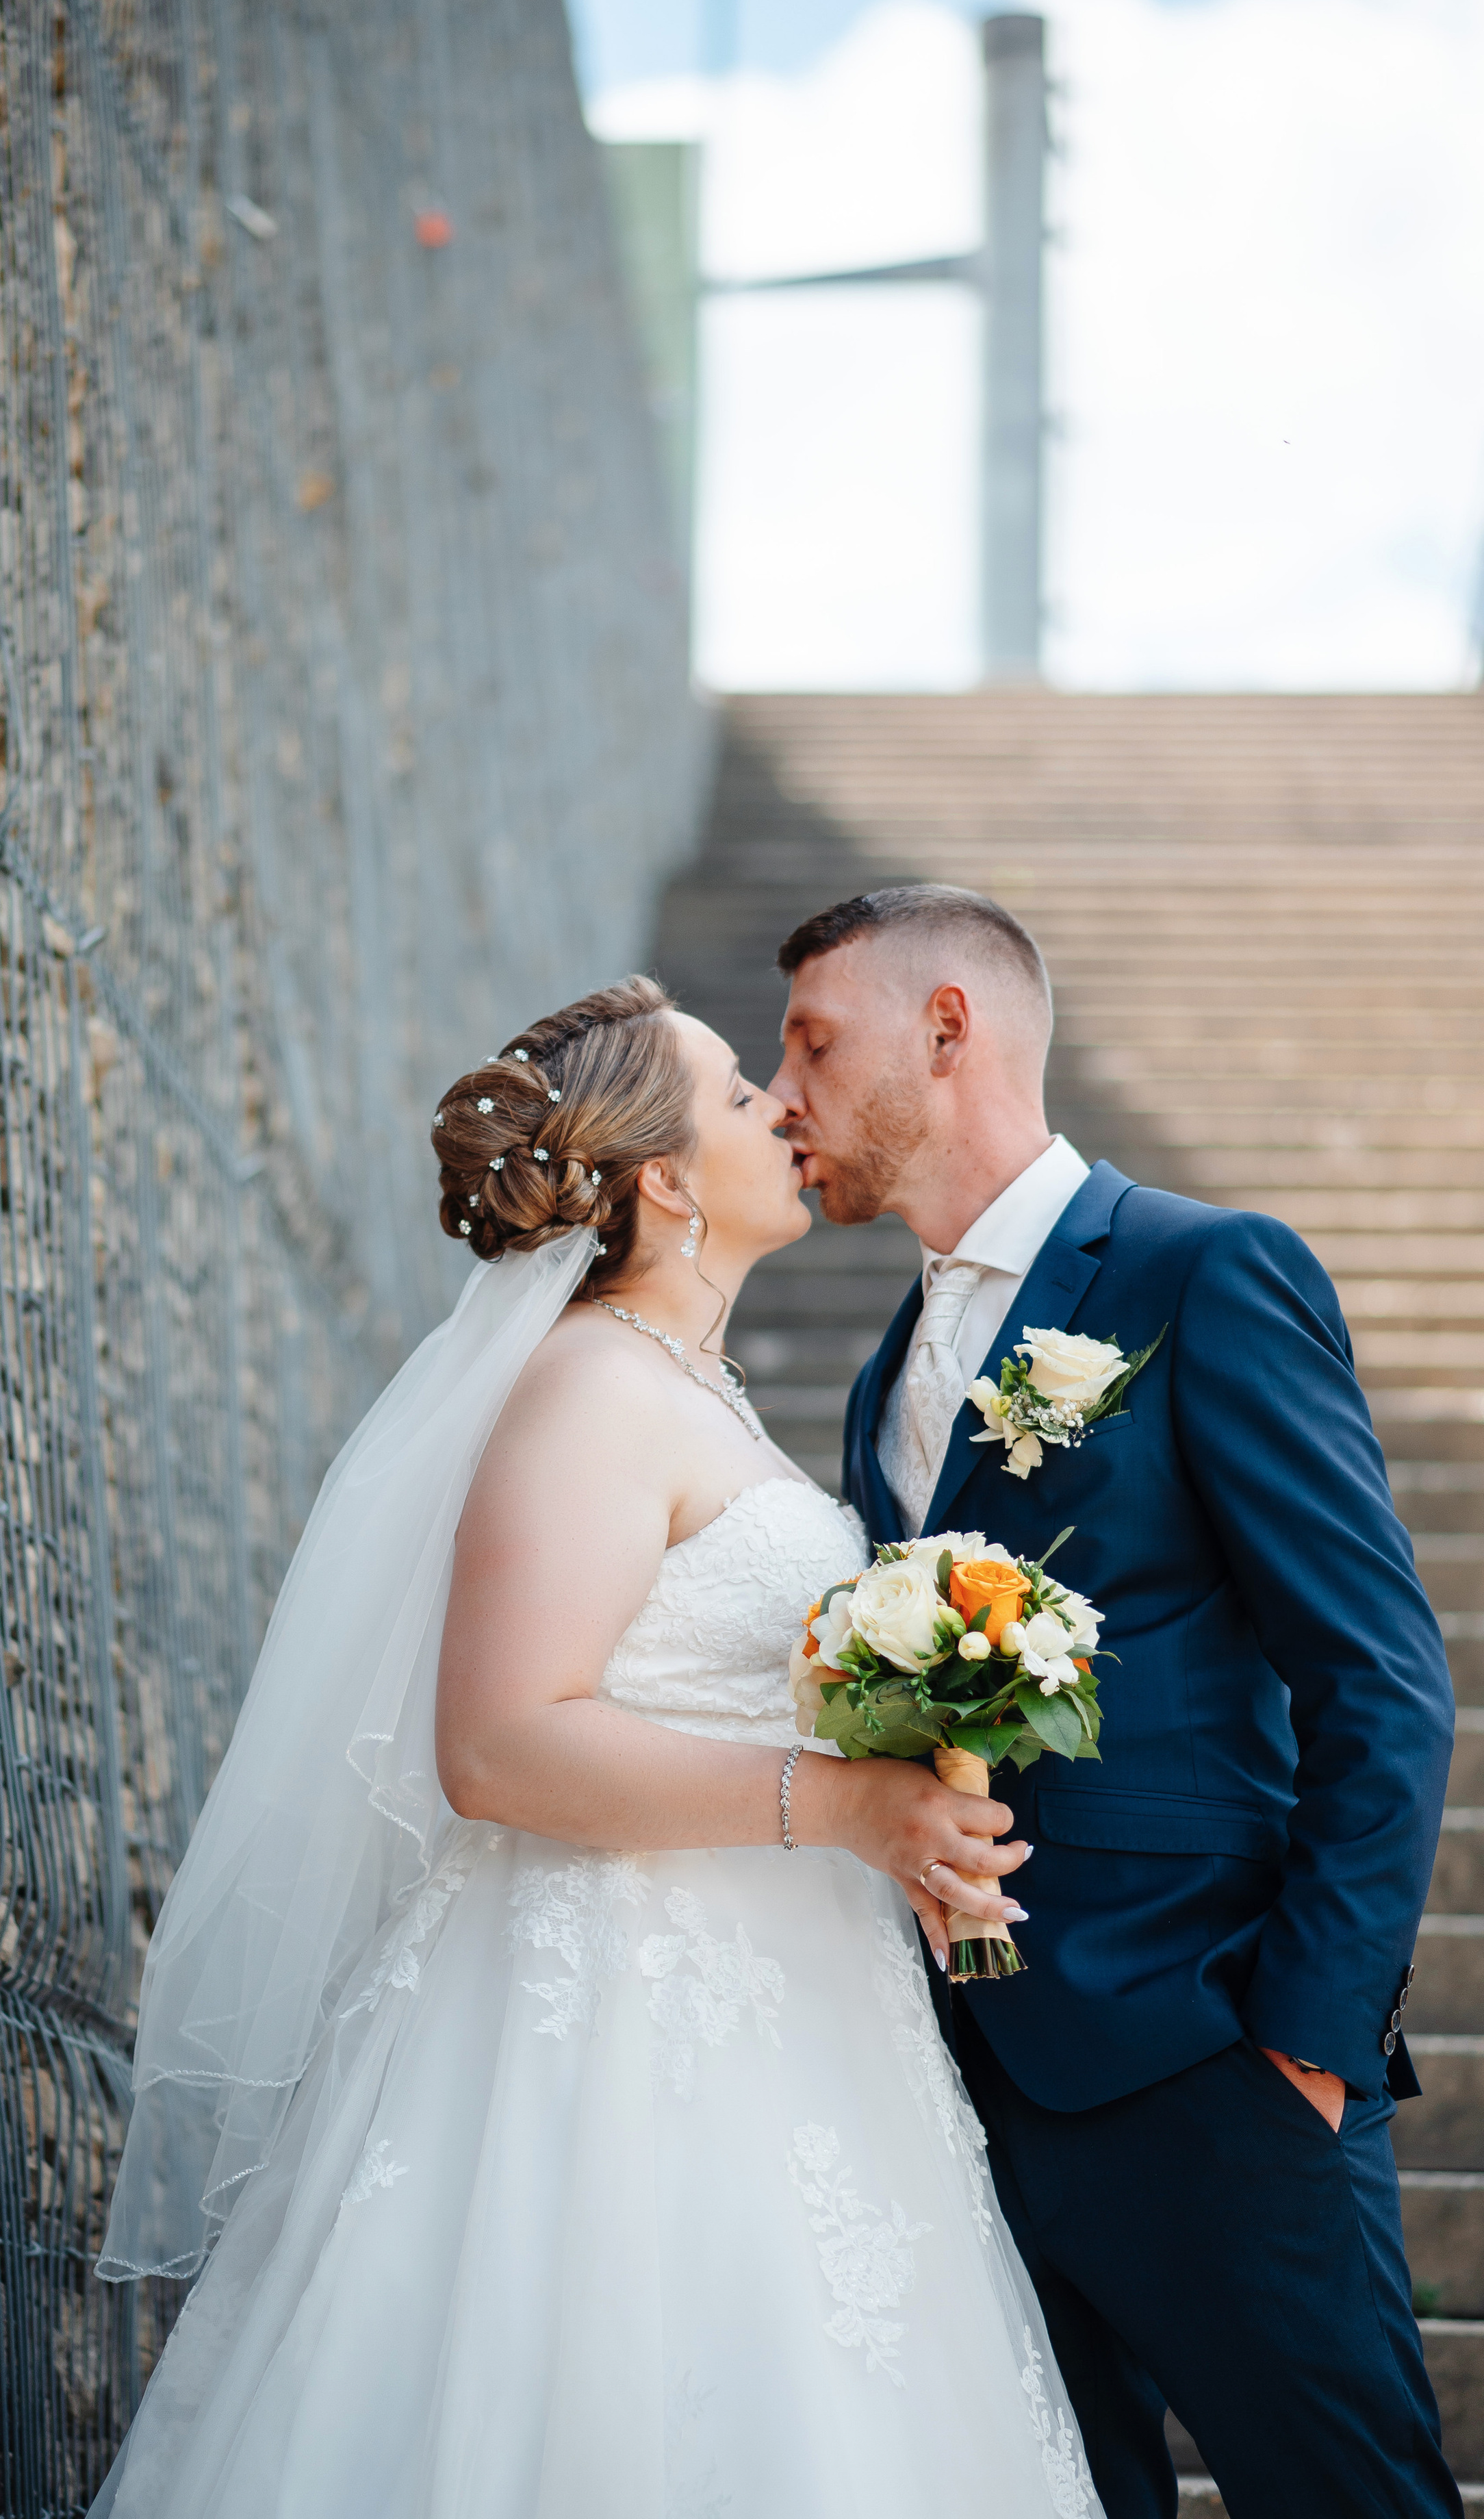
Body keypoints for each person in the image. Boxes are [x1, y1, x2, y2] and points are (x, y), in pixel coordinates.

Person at [90, 976, 1101, 2519]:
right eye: (740, 1094)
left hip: (794, 2014)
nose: (783, 1103)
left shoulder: (696, 1395)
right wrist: (840, 1805)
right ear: (666, 1180)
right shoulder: (586, 1388)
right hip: (617, 2028)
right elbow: (498, 1744)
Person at [768, 883, 1459, 2519]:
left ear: (946, 1030)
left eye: (808, 1040)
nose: (779, 1091)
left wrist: (1304, 2041)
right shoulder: (887, 1371)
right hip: (963, 2081)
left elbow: (1378, 1675)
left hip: (1207, 2051)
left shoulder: (1198, 1274)